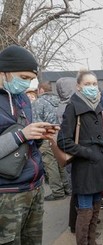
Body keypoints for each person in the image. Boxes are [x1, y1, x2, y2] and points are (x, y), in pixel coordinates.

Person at [0, 45, 59, 245]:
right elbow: (19, 136)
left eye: (30, 79)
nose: (27, 84)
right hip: (7, 193)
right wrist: (22, 134)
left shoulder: (23, 99)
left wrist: (40, 134)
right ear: (4, 71)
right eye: (23, 77)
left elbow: (26, 140)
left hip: (34, 186)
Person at [57, 70, 103, 245]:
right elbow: (63, 141)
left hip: (99, 165)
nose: (91, 87)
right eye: (87, 84)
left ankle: (92, 241)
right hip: (85, 167)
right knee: (85, 210)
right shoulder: (73, 106)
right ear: (78, 86)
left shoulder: (97, 105)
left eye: (94, 84)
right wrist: (88, 152)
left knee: (96, 207)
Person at [32, 81, 71, 201]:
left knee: (50, 164)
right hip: (60, 135)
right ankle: (67, 188)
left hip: (47, 136)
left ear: (41, 90)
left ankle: (57, 192)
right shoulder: (60, 101)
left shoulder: (38, 102)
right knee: (61, 162)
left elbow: (36, 122)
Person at [56, 77, 78, 233]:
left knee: (76, 188)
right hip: (73, 152)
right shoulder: (70, 107)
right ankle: (75, 223)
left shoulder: (61, 106)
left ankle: (75, 221)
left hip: (68, 152)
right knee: (78, 189)